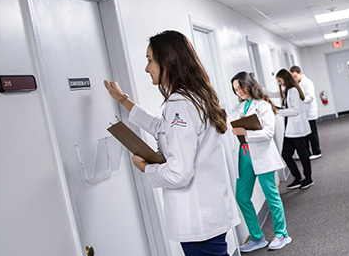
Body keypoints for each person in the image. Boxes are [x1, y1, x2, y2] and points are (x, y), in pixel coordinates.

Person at [102, 30, 238, 256]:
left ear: (168, 61)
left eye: (150, 60)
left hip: (198, 217)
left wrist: (145, 167)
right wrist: (123, 100)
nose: (147, 68)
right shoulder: (196, 95)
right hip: (209, 210)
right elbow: (163, 128)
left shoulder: (180, 104)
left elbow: (179, 173)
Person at [229, 72, 291, 252]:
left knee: (271, 196)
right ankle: (257, 237)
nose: (239, 91)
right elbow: (226, 120)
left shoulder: (263, 106)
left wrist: (245, 133)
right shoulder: (238, 108)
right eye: (235, 89)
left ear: (249, 84)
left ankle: (282, 234)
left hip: (262, 156)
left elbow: (268, 133)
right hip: (245, 156)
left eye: (240, 87)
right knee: (241, 197)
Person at [276, 69, 314, 189]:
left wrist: (278, 111)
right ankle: (297, 178)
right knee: (286, 154)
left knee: (303, 155)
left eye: (280, 80)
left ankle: (308, 178)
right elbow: (274, 94)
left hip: (298, 129)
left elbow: (295, 111)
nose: (279, 83)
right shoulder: (288, 91)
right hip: (290, 130)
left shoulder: (293, 91)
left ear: (285, 79)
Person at [289, 65, 321, 160]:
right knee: (305, 134)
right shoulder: (297, 83)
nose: (294, 78)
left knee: (312, 133)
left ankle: (317, 151)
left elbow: (310, 97)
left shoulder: (307, 82)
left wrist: (300, 100)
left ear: (300, 73)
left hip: (309, 111)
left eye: (295, 76)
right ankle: (307, 153)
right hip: (302, 113)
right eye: (292, 77)